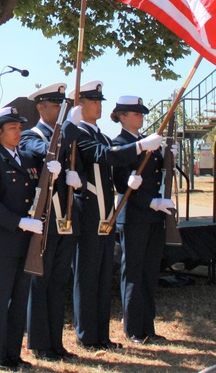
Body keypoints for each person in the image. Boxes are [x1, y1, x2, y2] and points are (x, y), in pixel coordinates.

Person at [60, 80, 162, 350]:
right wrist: (140, 147)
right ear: (79, 106)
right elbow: (104, 156)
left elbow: (112, 167)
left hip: (107, 214)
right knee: (87, 275)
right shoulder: (81, 134)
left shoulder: (101, 134)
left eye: (99, 100)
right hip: (89, 213)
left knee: (104, 276)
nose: (99, 105)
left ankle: (101, 335)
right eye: (93, 101)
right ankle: (86, 335)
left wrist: (127, 184)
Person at [0, 106, 60, 371]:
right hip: (3, 242)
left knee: (19, 299)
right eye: (12, 128)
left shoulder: (26, 158)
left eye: (20, 127)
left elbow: (41, 184)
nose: (18, 132)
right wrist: (19, 221)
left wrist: (54, 171)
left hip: (26, 242)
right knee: (0, 299)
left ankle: (13, 352)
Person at [20, 82, 78, 362]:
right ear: (41, 108)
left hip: (64, 218)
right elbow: (47, 150)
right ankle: (39, 342)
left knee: (57, 282)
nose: (59, 110)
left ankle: (55, 341)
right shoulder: (30, 136)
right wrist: (68, 127)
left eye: (61, 106)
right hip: (43, 219)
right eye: (56, 106)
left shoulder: (65, 135)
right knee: (40, 283)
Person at [111, 95, 175, 345]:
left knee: (149, 273)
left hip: (153, 216)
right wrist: (150, 201)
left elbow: (156, 174)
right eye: (135, 114)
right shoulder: (120, 143)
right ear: (122, 117)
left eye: (141, 114)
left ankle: (148, 325)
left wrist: (168, 154)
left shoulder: (146, 142)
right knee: (134, 274)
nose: (140, 117)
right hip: (134, 216)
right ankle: (133, 328)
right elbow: (121, 183)